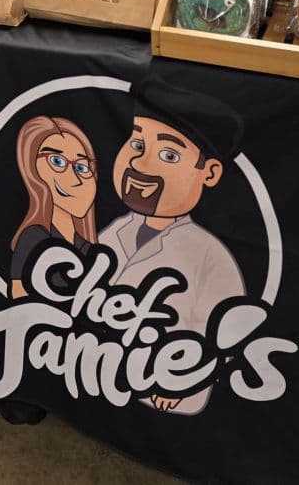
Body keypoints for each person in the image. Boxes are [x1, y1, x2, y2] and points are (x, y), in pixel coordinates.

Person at [98, 80, 246, 415]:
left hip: (168, 390)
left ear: (209, 173)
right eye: (137, 144)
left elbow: (221, 333)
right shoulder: (116, 230)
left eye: (168, 154)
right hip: (102, 371)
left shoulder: (210, 255)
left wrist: (181, 380)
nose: (141, 163)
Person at [9, 116, 98, 298]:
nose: (75, 179)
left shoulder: (88, 248)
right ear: (32, 170)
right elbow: (19, 301)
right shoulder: (34, 239)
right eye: (57, 161)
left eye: (82, 167)